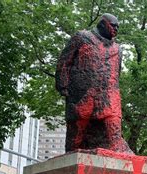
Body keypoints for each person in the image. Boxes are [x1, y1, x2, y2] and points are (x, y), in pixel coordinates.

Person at [55, 13, 133, 154]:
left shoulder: (118, 49)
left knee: (114, 124)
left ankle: (119, 151)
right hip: (83, 93)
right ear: (102, 24)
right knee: (77, 130)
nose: (116, 29)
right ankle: (72, 156)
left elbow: (117, 72)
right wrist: (63, 84)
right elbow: (65, 61)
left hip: (109, 95)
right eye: (113, 26)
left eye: (118, 27)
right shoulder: (82, 37)